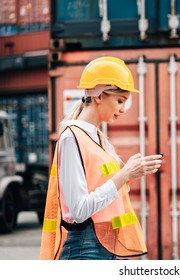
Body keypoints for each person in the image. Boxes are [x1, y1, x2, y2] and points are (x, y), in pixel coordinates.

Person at [40, 56, 162, 260]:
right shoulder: (72, 138)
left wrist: (130, 174)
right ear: (99, 96)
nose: (123, 109)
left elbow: (101, 191)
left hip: (102, 247)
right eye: (120, 101)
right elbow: (79, 211)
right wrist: (124, 175)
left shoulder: (95, 138)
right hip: (85, 248)